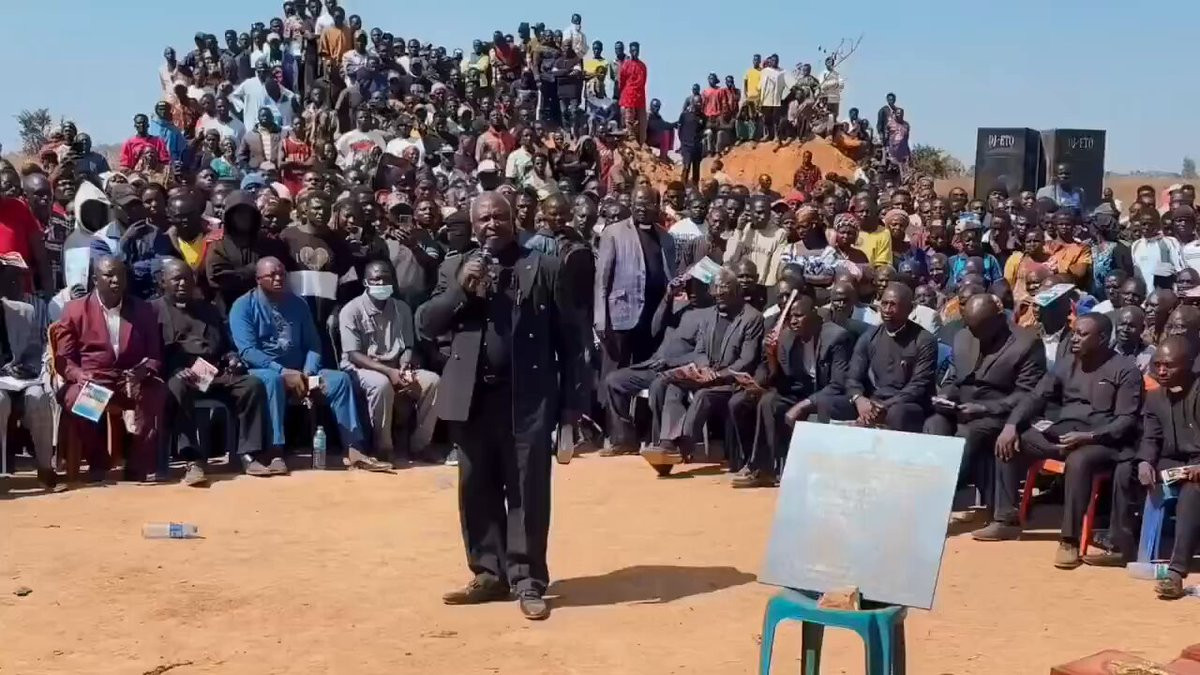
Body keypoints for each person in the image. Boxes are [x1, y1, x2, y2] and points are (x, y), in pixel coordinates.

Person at [419, 192, 587, 621]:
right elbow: (426, 323)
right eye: (483, 219)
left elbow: (572, 342)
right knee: (477, 487)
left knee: (528, 489)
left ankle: (527, 580)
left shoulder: (545, 267)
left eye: (499, 217)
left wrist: (571, 407)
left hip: (528, 398)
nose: (491, 224)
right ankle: (488, 574)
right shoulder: (455, 268)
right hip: (472, 398)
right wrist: (461, 289)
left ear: (514, 221)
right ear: (473, 226)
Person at [975, 313, 1143, 569]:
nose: (1074, 338)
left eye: (1082, 335)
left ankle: (1069, 540)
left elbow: (1126, 421)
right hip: (1063, 434)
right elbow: (1035, 397)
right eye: (1074, 333)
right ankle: (1006, 519)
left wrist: (1088, 437)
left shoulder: (1125, 370)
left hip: (1101, 441)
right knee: (1010, 440)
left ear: (1101, 339)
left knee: (1078, 460)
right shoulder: (1066, 364)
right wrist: (1011, 425)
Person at [230, 257, 389, 471]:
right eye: (272, 275)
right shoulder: (243, 306)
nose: (278, 278)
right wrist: (283, 371)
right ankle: (275, 452)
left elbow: (313, 344)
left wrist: (308, 371)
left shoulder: (298, 304)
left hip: (302, 370)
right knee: (273, 380)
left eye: (282, 274)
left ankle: (354, 448)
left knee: (340, 380)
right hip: (265, 370)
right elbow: (248, 351)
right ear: (258, 279)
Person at [1089, 337, 1200, 598]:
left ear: (1188, 364)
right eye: (1157, 365)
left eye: (1168, 366)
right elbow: (1151, 438)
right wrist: (1144, 462)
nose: (1161, 371)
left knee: (1192, 490)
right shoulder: (1155, 398)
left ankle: (1175, 572)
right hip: (1172, 462)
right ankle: (1123, 545)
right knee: (1126, 471)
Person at [924, 294, 1046, 516]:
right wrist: (946, 396)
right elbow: (955, 379)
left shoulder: (1027, 344)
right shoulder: (964, 336)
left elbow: (1026, 394)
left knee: (968, 434)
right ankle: (928, 489)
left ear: (999, 320)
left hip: (999, 413)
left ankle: (937, 498)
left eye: (980, 329)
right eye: (970, 327)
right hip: (961, 407)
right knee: (934, 424)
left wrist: (984, 409)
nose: (974, 335)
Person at [154, 259, 271, 485]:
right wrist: (176, 370)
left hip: (213, 374)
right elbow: (152, 353)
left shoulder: (208, 309)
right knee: (176, 386)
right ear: (163, 282)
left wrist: (232, 358)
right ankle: (192, 460)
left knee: (252, 385)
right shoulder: (154, 311)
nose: (182, 284)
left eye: (187, 279)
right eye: (176, 279)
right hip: (181, 376)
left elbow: (226, 346)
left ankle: (248, 454)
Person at [52, 256, 166, 482]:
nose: (116, 280)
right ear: (95, 280)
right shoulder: (75, 310)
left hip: (130, 378)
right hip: (94, 377)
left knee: (156, 392)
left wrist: (144, 371)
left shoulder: (143, 310)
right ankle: (98, 461)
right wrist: (80, 375)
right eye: (109, 275)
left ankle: (135, 461)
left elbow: (155, 356)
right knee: (80, 399)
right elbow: (64, 359)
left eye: (120, 275)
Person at [730, 290, 853, 488]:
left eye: (799, 316)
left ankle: (811, 473)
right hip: (800, 392)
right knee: (768, 401)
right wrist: (771, 357)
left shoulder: (836, 337)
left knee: (817, 405)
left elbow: (838, 384)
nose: (794, 321)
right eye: (790, 317)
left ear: (814, 314)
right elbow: (783, 379)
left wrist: (805, 405)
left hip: (827, 395)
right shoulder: (787, 338)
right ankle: (765, 469)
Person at [643, 268, 763, 468]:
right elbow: (700, 350)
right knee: (672, 387)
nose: (719, 298)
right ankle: (666, 444)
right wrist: (704, 367)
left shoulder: (752, 318)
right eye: (716, 294)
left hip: (731, 381)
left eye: (723, 294)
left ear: (735, 292)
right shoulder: (709, 316)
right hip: (706, 374)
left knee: (702, 396)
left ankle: (682, 446)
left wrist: (717, 375)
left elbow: (746, 360)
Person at [340, 260, 440, 462]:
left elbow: (407, 346)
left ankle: (420, 444)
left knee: (433, 381)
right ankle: (383, 447)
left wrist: (404, 366)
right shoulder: (351, 310)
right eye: (376, 279)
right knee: (381, 384)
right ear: (366, 282)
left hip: (395, 366)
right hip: (361, 369)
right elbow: (353, 354)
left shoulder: (401, 308)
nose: (381, 283)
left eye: (386, 278)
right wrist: (389, 372)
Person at [602, 277, 712, 455]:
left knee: (658, 386)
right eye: (689, 286)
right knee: (614, 380)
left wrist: (672, 363)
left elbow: (703, 354)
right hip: (653, 366)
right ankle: (624, 440)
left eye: (698, 286)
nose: (692, 291)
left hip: (676, 372)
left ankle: (661, 443)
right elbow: (655, 328)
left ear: (708, 288)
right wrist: (668, 297)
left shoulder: (710, 315)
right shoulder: (680, 308)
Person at [594, 185, 675, 419]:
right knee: (613, 372)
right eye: (637, 203)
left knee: (644, 373)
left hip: (653, 317)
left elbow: (669, 274)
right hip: (620, 314)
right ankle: (610, 426)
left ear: (657, 206)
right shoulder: (614, 232)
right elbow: (602, 279)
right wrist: (601, 319)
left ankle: (639, 425)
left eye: (646, 203)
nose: (641, 208)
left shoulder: (666, 237)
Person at [844, 283, 936, 432]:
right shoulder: (869, 336)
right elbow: (853, 377)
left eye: (893, 305)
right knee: (832, 403)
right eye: (884, 303)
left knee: (897, 413)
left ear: (910, 309)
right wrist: (859, 399)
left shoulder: (924, 340)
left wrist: (883, 406)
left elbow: (918, 386)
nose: (887, 310)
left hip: (907, 404)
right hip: (873, 401)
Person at [1045, 210, 1092, 288]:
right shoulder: (1046, 246)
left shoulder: (1082, 248)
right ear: (1055, 226)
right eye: (1061, 224)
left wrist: (1057, 266)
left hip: (1071, 288)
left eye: (1068, 224)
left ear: (1073, 226)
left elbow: (1079, 272)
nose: (1064, 227)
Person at [617, 41, 648, 144]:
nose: (635, 52)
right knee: (629, 117)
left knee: (642, 121)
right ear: (630, 51)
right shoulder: (626, 65)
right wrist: (623, 93)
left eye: (637, 50)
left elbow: (644, 81)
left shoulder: (643, 66)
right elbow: (622, 81)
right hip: (629, 95)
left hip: (640, 96)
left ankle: (642, 141)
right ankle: (631, 138)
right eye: (633, 50)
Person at [1112, 305, 1154, 373]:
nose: (1125, 329)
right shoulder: (1105, 350)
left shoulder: (1150, 355)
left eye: (1131, 326)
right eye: (1122, 324)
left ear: (1142, 329)